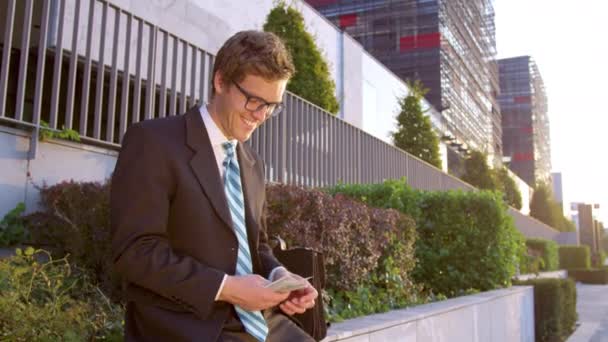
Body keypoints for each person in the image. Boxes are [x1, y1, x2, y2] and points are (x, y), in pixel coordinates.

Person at [110, 30, 318, 341]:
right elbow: (134, 252)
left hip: (257, 321)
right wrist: (226, 288)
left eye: (272, 105)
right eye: (253, 100)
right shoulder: (153, 141)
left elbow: (257, 246)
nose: (261, 116)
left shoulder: (252, 163)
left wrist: (280, 276)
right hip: (186, 323)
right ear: (220, 82)